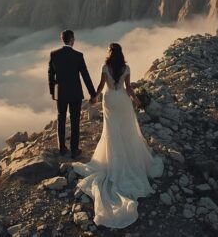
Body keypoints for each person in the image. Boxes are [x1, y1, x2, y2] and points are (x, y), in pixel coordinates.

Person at [73, 43, 163, 229]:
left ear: (109, 54)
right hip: (121, 100)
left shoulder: (105, 67)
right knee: (126, 129)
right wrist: (137, 100)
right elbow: (128, 88)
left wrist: (94, 97)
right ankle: (129, 158)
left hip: (109, 101)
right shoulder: (126, 68)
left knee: (111, 131)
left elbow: (100, 86)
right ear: (121, 54)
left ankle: (113, 158)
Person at [48, 29, 97, 158]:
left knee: (61, 119)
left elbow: (50, 75)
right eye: (74, 39)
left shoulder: (54, 54)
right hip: (75, 93)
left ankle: (62, 148)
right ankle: (74, 150)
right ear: (71, 40)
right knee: (75, 121)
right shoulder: (78, 56)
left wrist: (53, 92)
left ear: (62, 40)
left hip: (60, 93)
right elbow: (85, 76)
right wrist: (93, 94)